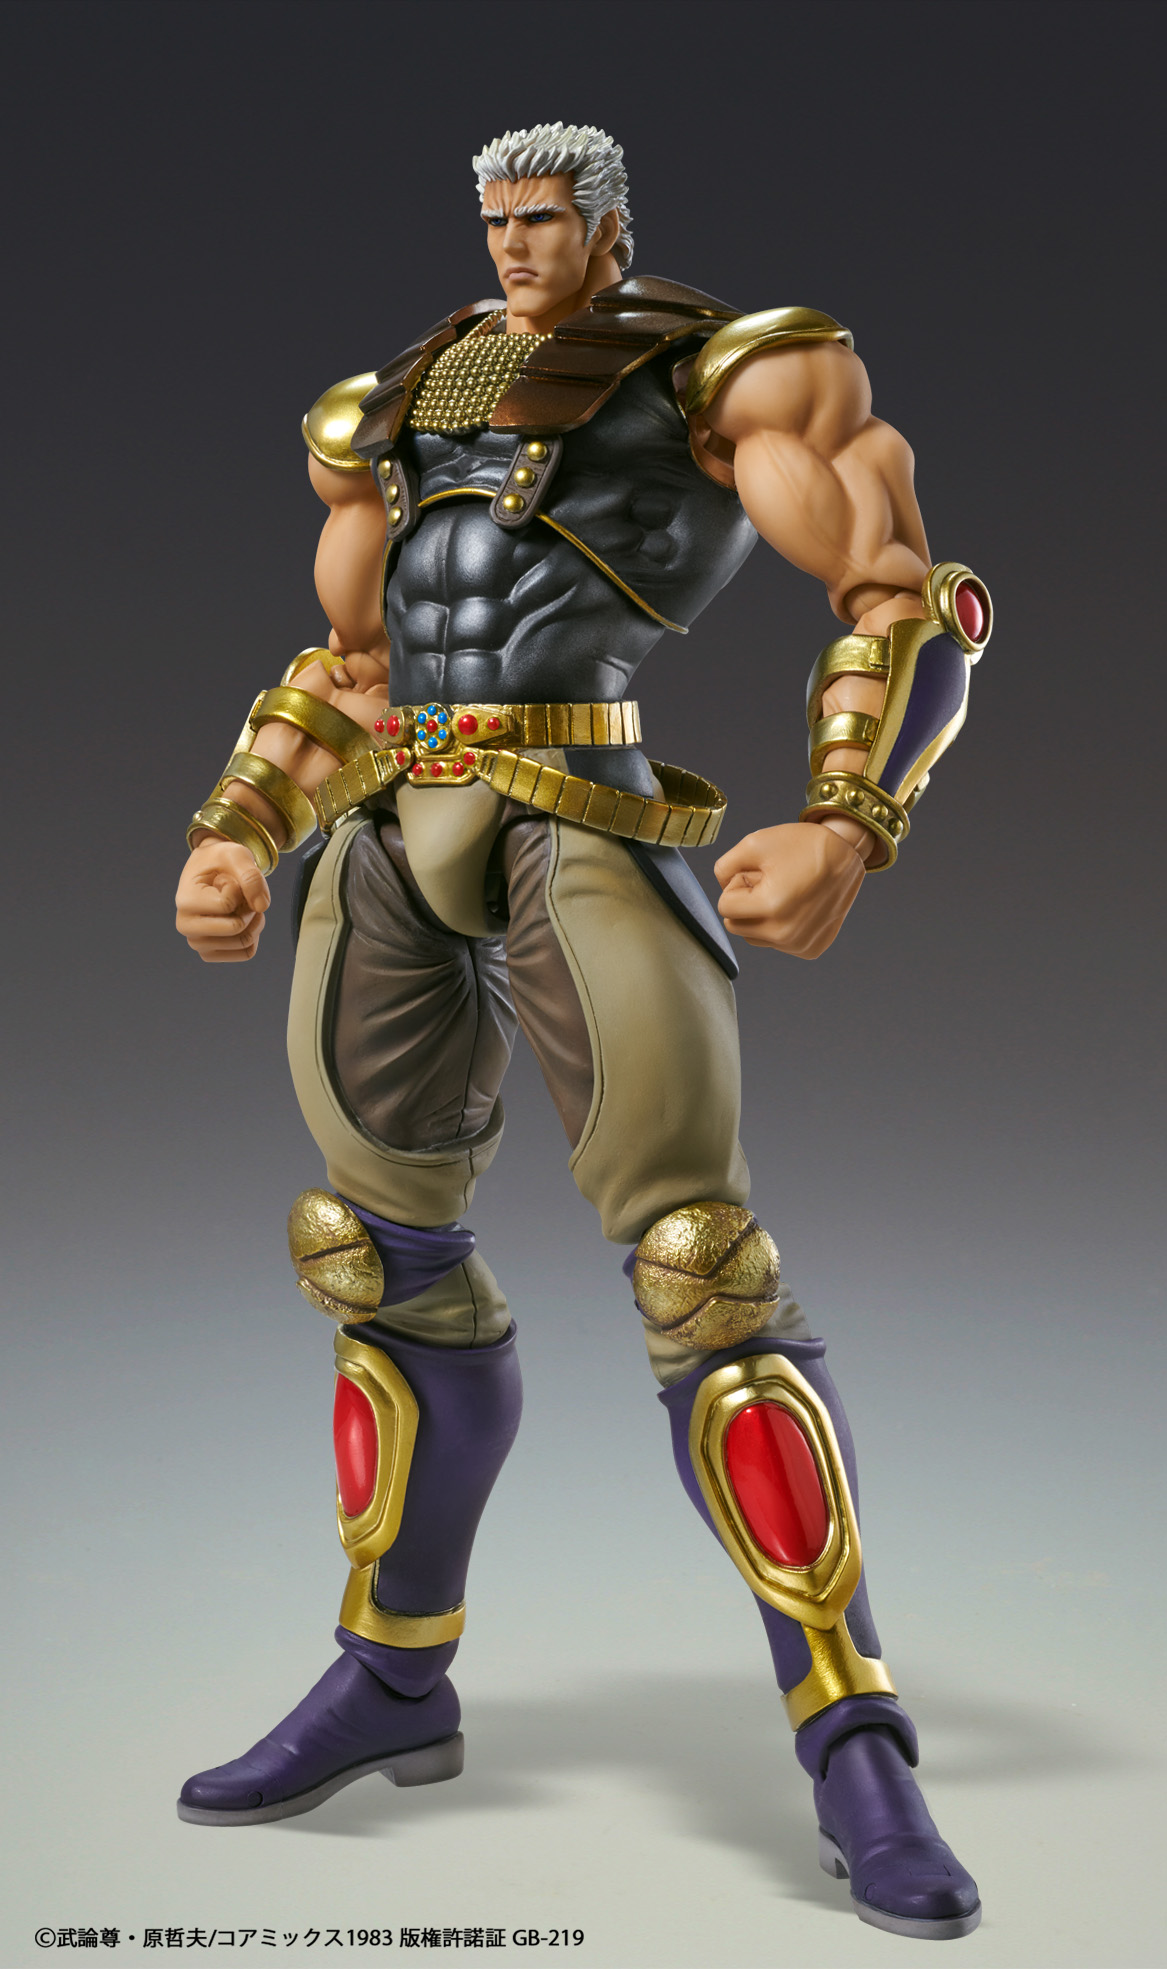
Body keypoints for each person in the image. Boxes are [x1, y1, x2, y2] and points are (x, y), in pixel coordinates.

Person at [175, 122, 991, 1941]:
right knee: (373, 1254)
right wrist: (239, 828)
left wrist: (850, 817)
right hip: (400, 821)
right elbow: (355, 665)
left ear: (610, 228)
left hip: (582, 808)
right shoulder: (398, 402)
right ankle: (394, 1672)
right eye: (495, 219)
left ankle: (853, 1730)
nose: (515, 244)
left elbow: (907, 597)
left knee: (702, 1268)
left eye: (544, 218)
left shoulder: (721, 370)